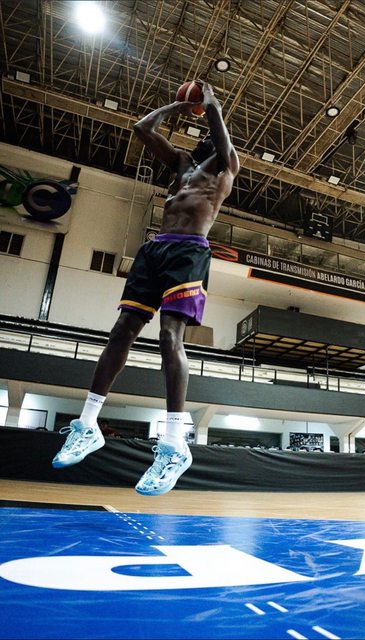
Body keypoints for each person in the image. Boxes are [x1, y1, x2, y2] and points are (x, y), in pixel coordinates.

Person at [52, 81, 240, 496]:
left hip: (189, 252)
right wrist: (176, 104)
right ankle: (88, 424)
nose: (207, 139)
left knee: (169, 337)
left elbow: (220, 135)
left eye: (212, 135)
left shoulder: (226, 167)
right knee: (121, 331)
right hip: (154, 250)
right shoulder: (182, 166)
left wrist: (211, 104)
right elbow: (141, 128)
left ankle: (174, 443)